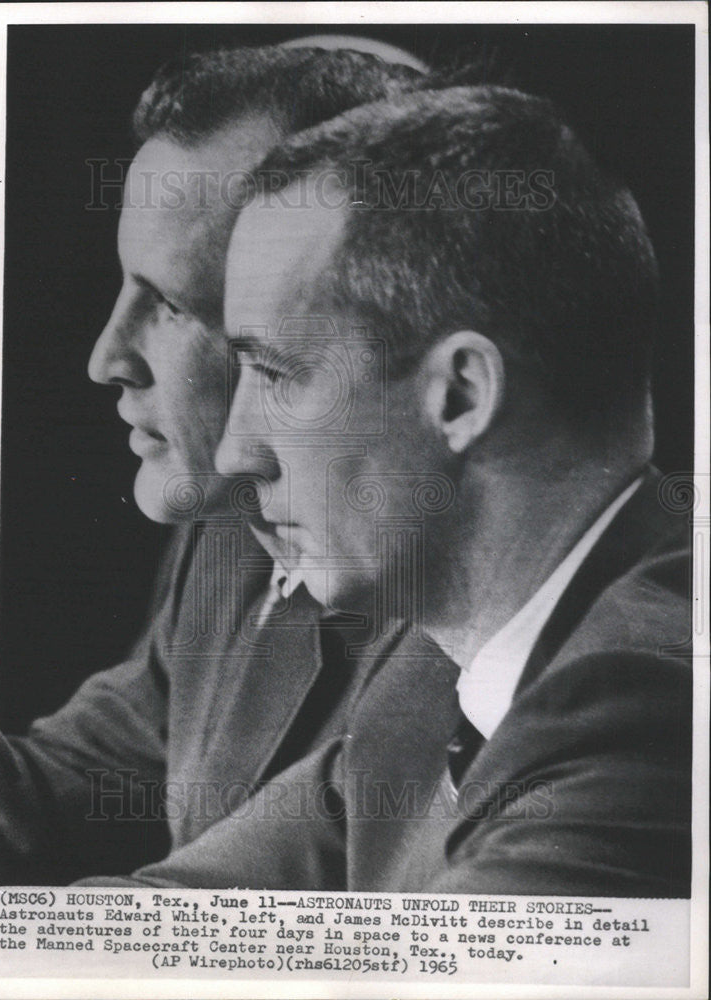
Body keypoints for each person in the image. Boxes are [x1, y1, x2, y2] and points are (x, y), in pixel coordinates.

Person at [196, 83, 691, 896]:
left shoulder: (649, 709)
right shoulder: (432, 678)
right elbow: (171, 913)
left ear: (460, 395)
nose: (233, 454)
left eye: (277, 373)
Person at [0, 43, 448, 886]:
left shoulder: (461, 604)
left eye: (170, 303)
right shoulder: (233, 536)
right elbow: (79, 785)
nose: (106, 358)